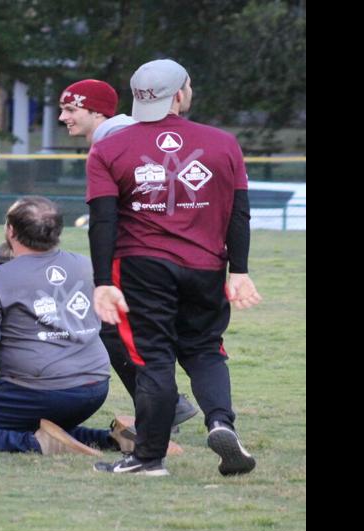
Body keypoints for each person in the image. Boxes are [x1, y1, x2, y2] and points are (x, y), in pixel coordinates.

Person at [87, 59, 261, 477]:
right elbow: (240, 213)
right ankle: (221, 422)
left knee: (154, 358)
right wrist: (238, 270)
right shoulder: (223, 144)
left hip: (141, 266)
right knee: (205, 350)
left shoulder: (109, 147)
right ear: (180, 94)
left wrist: (103, 282)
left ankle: (149, 458)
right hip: (206, 265)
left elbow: (103, 220)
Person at [58, 77, 199, 432]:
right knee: (130, 331)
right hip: (162, 253)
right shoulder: (120, 135)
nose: (63, 117)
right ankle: (166, 410)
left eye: (71, 109)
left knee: (118, 330)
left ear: (97, 111)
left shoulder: (114, 136)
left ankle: (167, 408)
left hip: (140, 256)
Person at [0, 197, 118, 457]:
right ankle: (110, 439)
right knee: (23, 418)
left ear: (10, 231)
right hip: (96, 386)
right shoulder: (88, 266)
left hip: (40, 390)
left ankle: (38, 445)